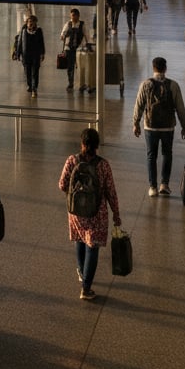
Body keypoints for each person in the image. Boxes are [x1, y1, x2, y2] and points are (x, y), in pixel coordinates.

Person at [58, 128, 122, 300]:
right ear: (97, 146)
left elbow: (62, 185)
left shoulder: (72, 161)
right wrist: (116, 213)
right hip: (97, 213)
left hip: (76, 212)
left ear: (82, 143)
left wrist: (75, 193)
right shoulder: (103, 165)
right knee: (92, 246)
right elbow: (111, 192)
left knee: (80, 238)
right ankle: (86, 288)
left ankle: (81, 272)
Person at [132, 56, 185, 197]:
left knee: (151, 156)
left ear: (153, 68)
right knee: (167, 154)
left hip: (150, 126)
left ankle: (152, 187)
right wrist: (184, 126)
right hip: (168, 127)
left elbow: (139, 105)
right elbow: (180, 107)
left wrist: (136, 123)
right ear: (165, 68)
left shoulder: (146, 84)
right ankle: (164, 184)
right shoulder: (173, 85)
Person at [60, 8, 91, 93]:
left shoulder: (82, 25)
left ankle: (81, 84)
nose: (72, 17)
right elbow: (62, 35)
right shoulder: (68, 24)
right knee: (70, 67)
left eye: (74, 15)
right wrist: (64, 36)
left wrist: (88, 46)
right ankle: (71, 83)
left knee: (80, 67)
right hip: (69, 49)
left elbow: (87, 35)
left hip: (79, 49)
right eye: (71, 15)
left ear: (78, 16)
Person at [17, 13, 46, 98]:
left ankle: (34, 89)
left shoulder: (39, 31)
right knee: (27, 72)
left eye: (32, 21)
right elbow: (19, 42)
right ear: (26, 23)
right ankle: (29, 85)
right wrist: (18, 53)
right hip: (26, 55)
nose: (30, 23)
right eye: (29, 21)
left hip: (35, 55)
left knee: (35, 73)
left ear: (35, 23)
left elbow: (41, 43)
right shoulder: (23, 31)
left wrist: (42, 53)